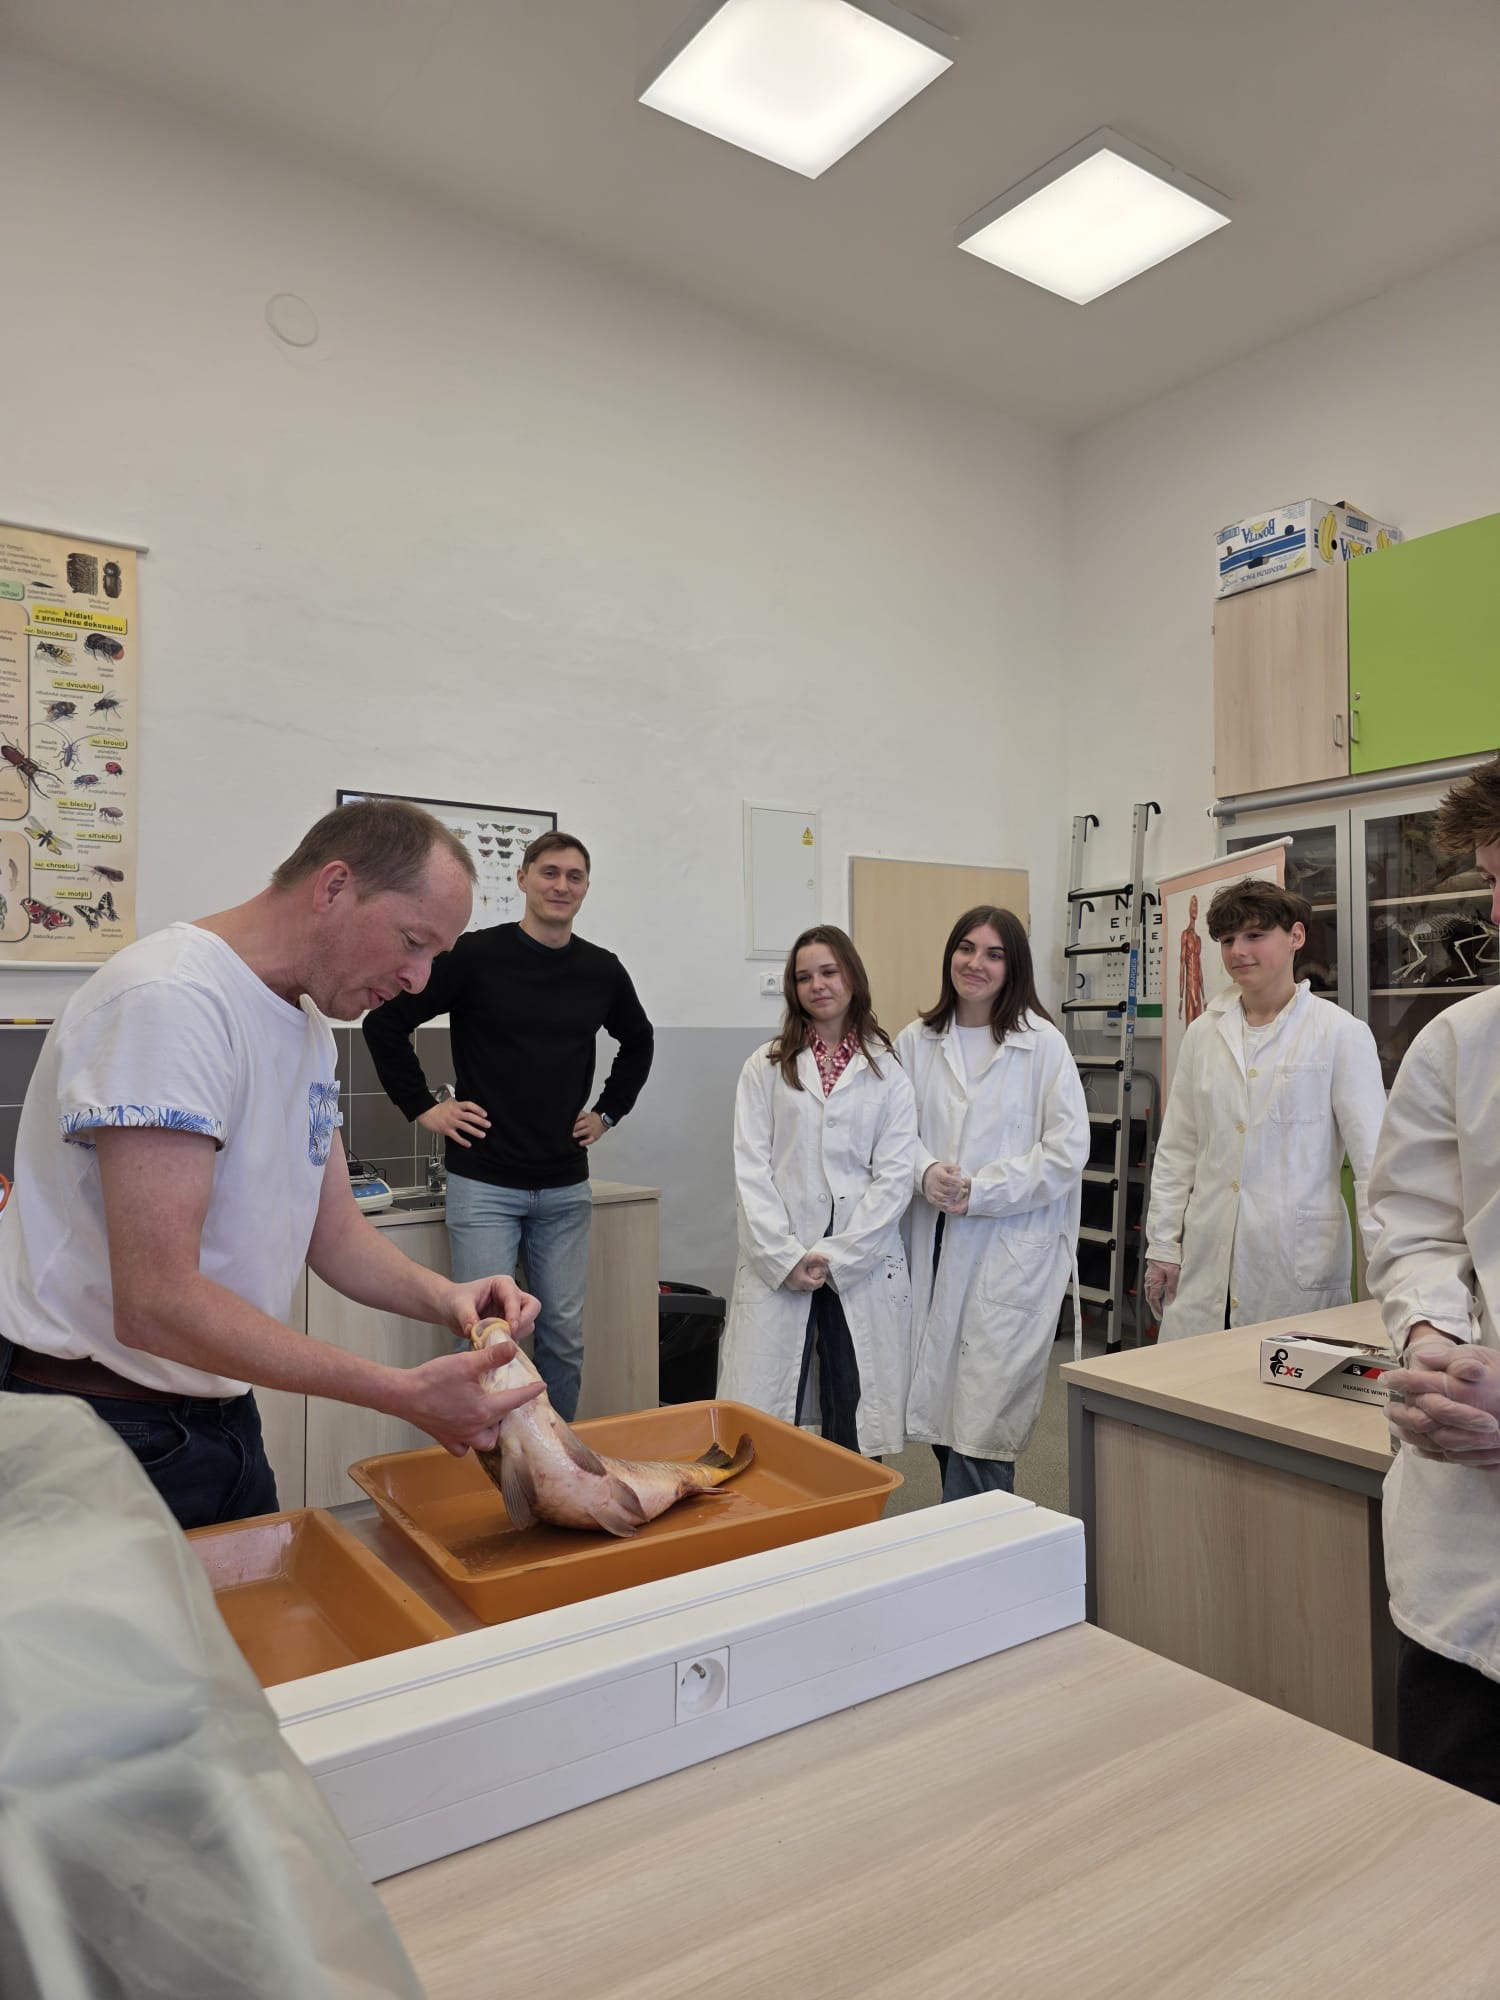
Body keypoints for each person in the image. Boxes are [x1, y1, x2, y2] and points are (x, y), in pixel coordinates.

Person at [0, 800, 544, 1532]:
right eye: (413, 942)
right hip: (102, 1427)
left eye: (435, 959)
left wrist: (448, 1298)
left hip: (218, 1419)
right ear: (335, 886)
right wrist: (400, 1391)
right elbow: (156, 1301)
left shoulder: (308, 1026)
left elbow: (336, 1235)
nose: (419, 980)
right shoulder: (172, 1001)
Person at [363, 830, 653, 1422]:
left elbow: (639, 1041)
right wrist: (423, 1107)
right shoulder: (476, 956)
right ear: (522, 879)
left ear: (586, 887)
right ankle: (488, 1462)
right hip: (484, 1187)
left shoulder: (600, 970)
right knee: (486, 1339)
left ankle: (555, 1458)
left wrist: (607, 1113)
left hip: (565, 1187)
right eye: (549, 872)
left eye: (574, 876)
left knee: (563, 1338)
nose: (561, 885)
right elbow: (384, 1022)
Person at [1365, 756, 1500, 1802]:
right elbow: (1417, 1224)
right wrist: (1432, 1340)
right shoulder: (1462, 1041)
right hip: (1468, 1574)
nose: (1497, 911)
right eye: (1494, 880)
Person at [896, 907, 1089, 1502]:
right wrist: (924, 1171)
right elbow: (889, 1134)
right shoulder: (915, 1040)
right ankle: (965, 1535)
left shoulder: (1043, 1045)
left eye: (993, 954)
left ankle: (978, 1542)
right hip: (930, 1245)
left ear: (1013, 967)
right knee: (940, 1412)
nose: (975, 963)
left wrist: (982, 1190)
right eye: (966, 948)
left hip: (1008, 1253)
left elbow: (1067, 1151)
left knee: (981, 1426)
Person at [1144, 876, 1387, 1340]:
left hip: (1293, 1268)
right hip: (1206, 1258)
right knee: (1192, 1376)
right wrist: (1163, 1246)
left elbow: (1375, 1164)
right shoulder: (1203, 1033)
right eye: (1227, 940)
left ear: (1296, 936)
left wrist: (1390, 1272)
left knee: (1285, 1379)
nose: (1238, 951)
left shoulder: (1340, 1034)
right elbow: (1177, 1149)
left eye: (1255, 935)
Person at [717, 925, 917, 1459]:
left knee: (852, 1411)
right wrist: (783, 1256)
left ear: (852, 976)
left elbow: (894, 1176)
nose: (818, 985)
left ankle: (854, 1508)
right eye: (804, 977)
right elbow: (751, 1169)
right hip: (782, 1257)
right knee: (767, 1417)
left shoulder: (888, 1071)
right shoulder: (765, 1065)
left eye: (829, 972)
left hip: (857, 1261)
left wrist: (841, 1255)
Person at [1178, 892, 1205, 1027]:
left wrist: (1204, 996)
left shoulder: (1198, 938)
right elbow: (1182, 966)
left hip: (1197, 986)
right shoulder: (1185, 934)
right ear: (1189, 909)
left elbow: (1199, 969)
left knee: (1199, 1023)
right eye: (1193, 906)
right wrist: (1181, 997)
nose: (1195, 909)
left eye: (1196, 906)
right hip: (1189, 986)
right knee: (1190, 1024)